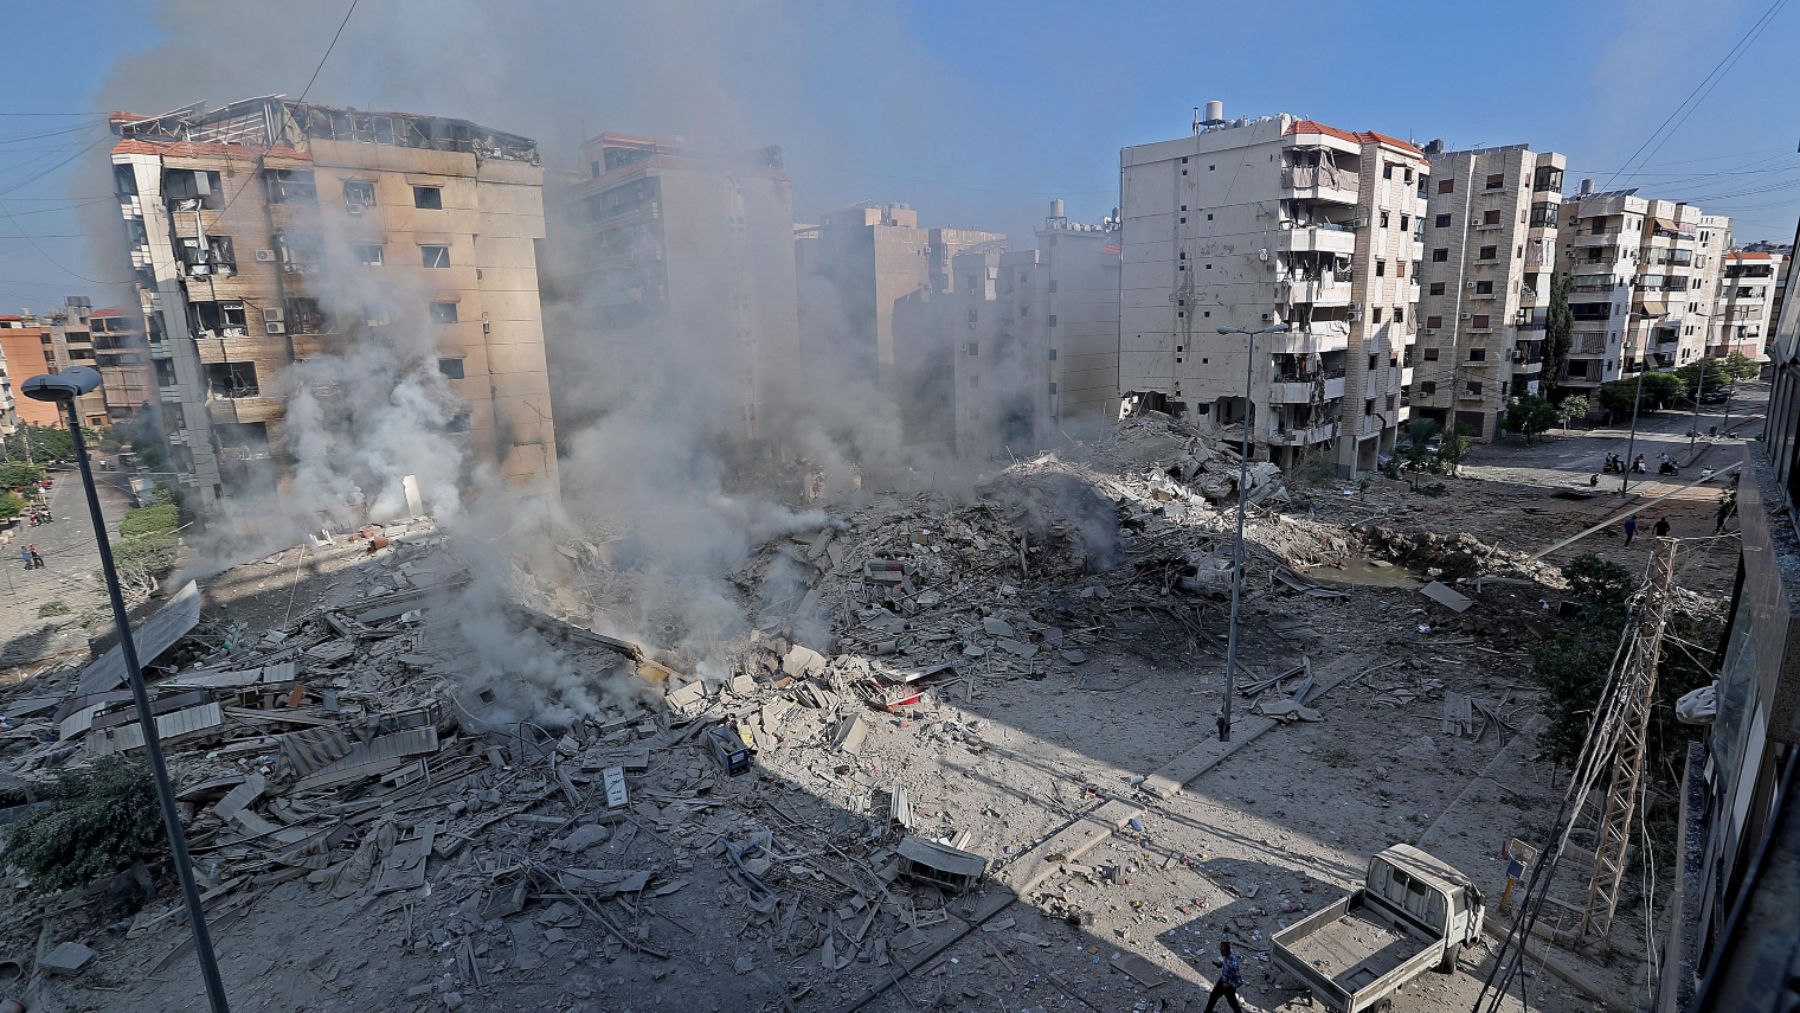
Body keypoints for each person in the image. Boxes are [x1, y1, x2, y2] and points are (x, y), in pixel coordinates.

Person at [1206, 940, 1245, 1013]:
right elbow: (1225, 960)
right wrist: (1219, 964)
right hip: (1224, 980)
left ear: (1227, 951)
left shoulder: (1232, 962)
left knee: (1229, 1001)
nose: (1221, 953)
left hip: (1228, 984)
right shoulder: (1228, 953)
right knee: (1229, 1001)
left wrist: (1227, 983)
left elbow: (1237, 976)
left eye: (1223, 952)